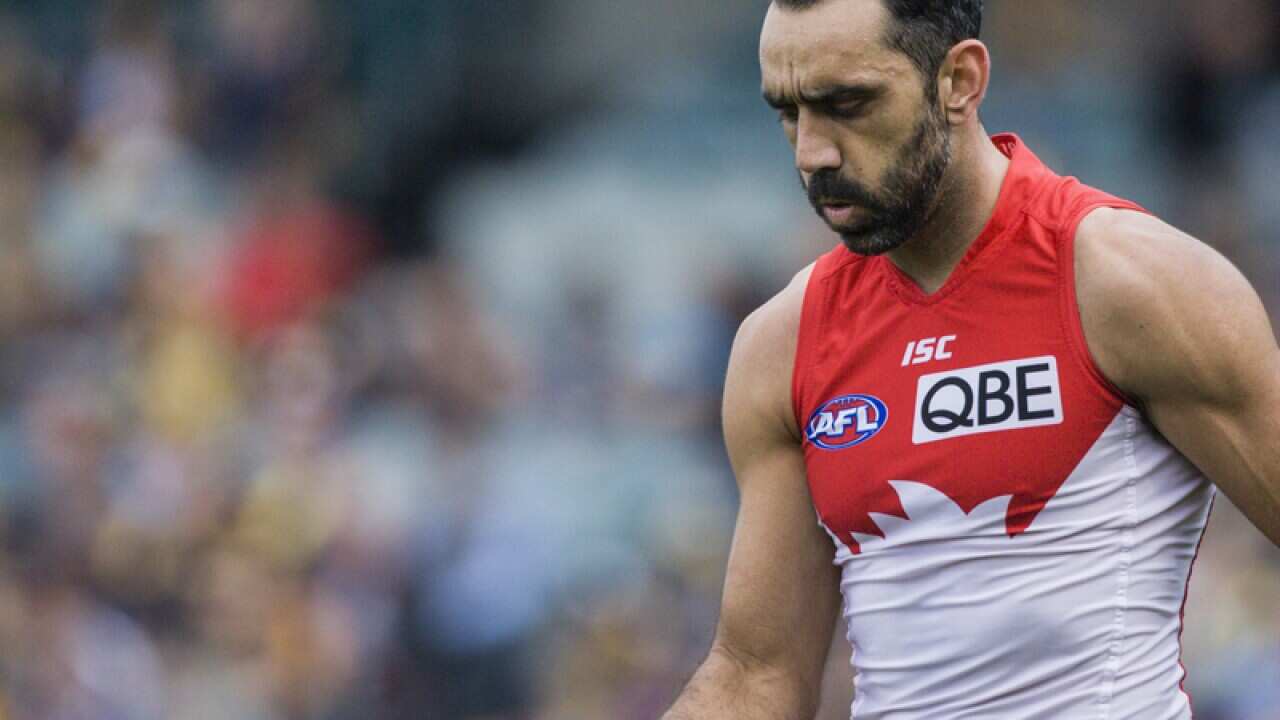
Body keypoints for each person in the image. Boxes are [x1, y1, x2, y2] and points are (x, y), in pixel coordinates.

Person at [663, 0, 1280, 718]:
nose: (812, 152)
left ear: (959, 79)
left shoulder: (1130, 283)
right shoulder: (782, 344)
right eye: (788, 111)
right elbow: (756, 675)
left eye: (847, 104)